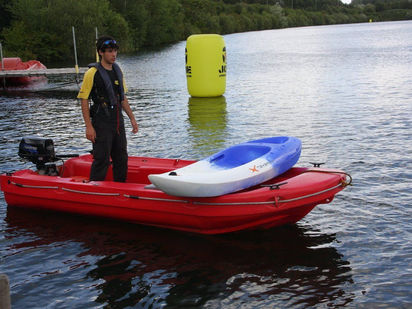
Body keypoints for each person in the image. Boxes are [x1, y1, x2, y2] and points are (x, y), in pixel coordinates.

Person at [77, 36, 138, 182]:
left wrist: (132, 118)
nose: (114, 54)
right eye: (110, 51)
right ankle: (94, 190)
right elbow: (84, 99)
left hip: (117, 120)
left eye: (115, 51)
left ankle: (120, 189)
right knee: (102, 158)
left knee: (121, 157)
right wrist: (89, 127)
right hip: (101, 121)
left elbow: (122, 98)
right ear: (101, 52)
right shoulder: (92, 73)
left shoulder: (117, 70)